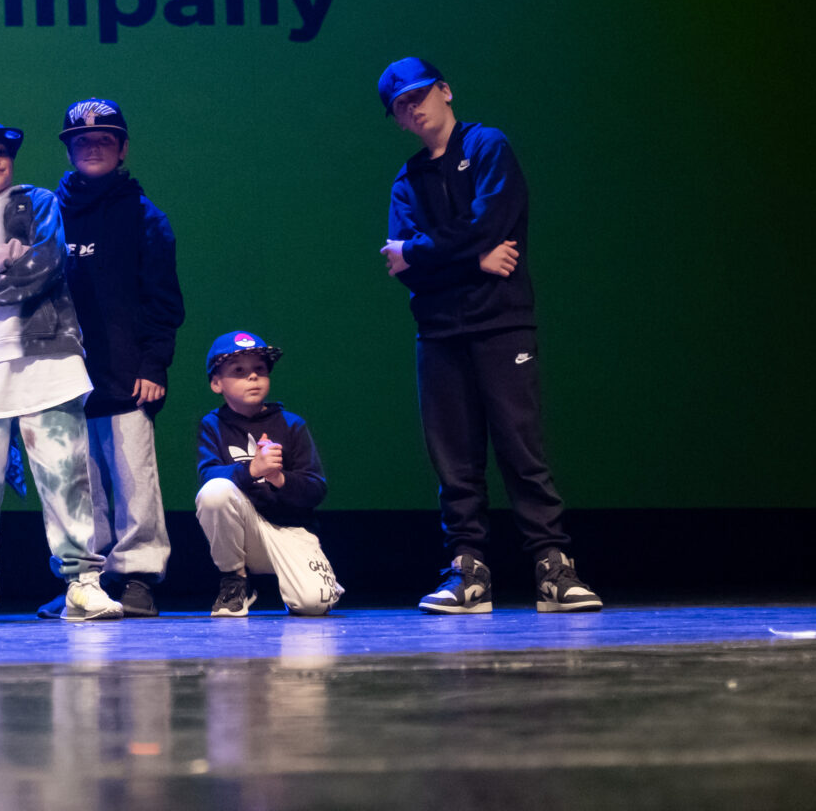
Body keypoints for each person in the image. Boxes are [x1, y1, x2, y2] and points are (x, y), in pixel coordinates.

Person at [377, 57, 602, 614]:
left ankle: (553, 567)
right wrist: (473, 260)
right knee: (454, 461)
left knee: (522, 450)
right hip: (438, 333)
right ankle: (468, 571)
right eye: (402, 105)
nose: (414, 108)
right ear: (397, 120)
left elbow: (488, 224)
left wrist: (422, 253)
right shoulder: (407, 180)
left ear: (445, 91)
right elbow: (403, 267)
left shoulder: (487, 146)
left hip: (501, 323)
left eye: (419, 95)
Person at [0, 118, 123, 621]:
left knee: (65, 477)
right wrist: (0, 258)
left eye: (1, 151)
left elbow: (43, 266)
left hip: (48, 355)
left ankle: (82, 583)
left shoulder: (37, 201)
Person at [54, 99, 185, 617]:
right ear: (69, 149)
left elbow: (164, 300)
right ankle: (86, 580)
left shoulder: (145, 216)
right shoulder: (49, 213)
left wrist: (154, 363)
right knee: (76, 484)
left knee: (134, 480)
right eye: (82, 140)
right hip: (62, 376)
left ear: (123, 148)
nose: (93, 147)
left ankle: (137, 577)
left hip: (128, 373)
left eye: (104, 140)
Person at [194, 331, 343, 617]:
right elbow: (209, 477)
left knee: (314, 604)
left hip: (290, 531)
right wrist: (252, 470)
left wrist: (279, 479)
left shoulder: (291, 424)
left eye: (259, 369)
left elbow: (316, 488)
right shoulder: (213, 425)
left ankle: (309, 580)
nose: (252, 377)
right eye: (239, 371)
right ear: (217, 383)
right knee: (215, 492)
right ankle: (235, 581)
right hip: (246, 533)